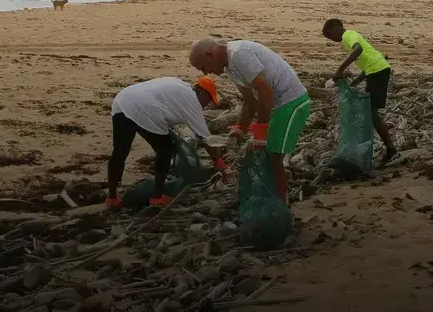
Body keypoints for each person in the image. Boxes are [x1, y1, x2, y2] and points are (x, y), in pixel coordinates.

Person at [189, 39, 311, 204]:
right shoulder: (230, 67)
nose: (205, 73)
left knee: (274, 156)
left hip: (291, 102)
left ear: (211, 54)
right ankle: (271, 196)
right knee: (266, 153)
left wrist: (261, 129)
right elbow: (250, 101)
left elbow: (265, 91)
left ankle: (280, 204)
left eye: (203, 67)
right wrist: (241, 127)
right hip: (277, 106)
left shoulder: (239, 54)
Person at [106, 76, 226, 208]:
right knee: (165, 149)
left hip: (122, 100)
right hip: (146, 106)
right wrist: (218, 161)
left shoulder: (178, 85)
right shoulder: (192, 101)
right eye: (208, 101)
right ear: (203, 93)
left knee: (120, 151)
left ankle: (112, 197)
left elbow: (162, 110)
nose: (206, 105)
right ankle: (157, 196)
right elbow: (205, 138)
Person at [322, 19, 398, 165]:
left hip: (378, 71)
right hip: (375, 70)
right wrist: (357, 79)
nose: (333, 40)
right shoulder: (350, 37)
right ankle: (389, 147)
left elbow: (358, 50)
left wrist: (340, 69)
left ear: (336, 27)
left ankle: (391, 149)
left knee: (371, 111)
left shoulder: (348, 35)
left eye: (330, 35)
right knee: (371, 111)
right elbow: (369, 57)